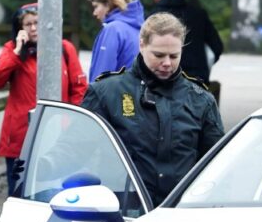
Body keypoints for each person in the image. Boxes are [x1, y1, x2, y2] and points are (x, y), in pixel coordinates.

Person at [82, 13, 225, 205]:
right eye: (159, 55)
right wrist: (43, 165)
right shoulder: (106, 93)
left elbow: (219, 164)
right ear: (142, 45)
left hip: (179, 212)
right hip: (125, 212)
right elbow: (76, 146)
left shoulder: (201, 101)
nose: (167, 63)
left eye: (174, 56)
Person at [0, 3, 87, 196]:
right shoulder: (12, 50)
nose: (33, 28)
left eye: (37, 23)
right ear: (20, 28)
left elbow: (79, 88)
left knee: (53, 191)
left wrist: (71, 123)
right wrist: (17, 52)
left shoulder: (65, 49)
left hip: (58, 133)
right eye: (28, 24)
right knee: (19, 192)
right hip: (21, 134)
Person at [150, 0, 223, 84]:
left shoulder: (153, 16)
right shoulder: (199, 14)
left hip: (163, 79)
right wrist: (204, 66)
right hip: (196, 78)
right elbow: (217, 46)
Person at [87, 0, 144, 81]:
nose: (94, 13)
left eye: (96, 6)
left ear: (108, 4)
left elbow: (101, 79)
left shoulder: (113, 30)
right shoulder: (141, 29)